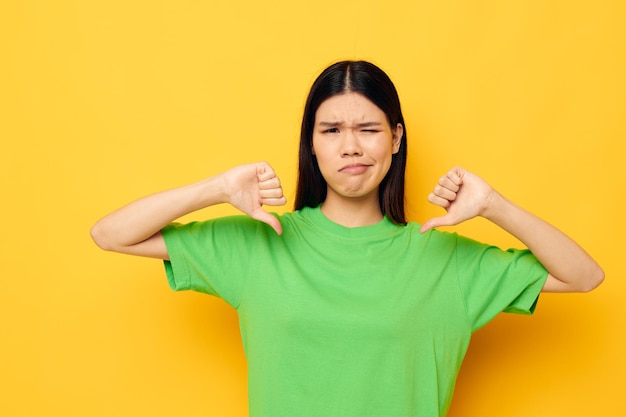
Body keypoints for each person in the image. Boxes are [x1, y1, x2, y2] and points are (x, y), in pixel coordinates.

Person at [91, 60, 604, 417]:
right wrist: (217, 188)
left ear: (397, 138)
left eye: (369, 129)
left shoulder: (442, 256)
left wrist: (494, 205)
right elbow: (111, 234)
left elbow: (584, 276)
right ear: (310, 144)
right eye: (331, 130)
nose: (351, 147)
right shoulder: (261, 243)